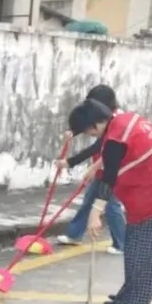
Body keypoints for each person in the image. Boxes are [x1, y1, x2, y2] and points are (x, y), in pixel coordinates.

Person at [66, 97, 152, 304]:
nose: (91, 136)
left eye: (88, 131)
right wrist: (95, 168)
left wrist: (96, 213)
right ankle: (135, 295)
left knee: (141, 249)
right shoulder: (125, 121)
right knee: (147, 248)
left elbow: (110, 176)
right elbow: (113, 157)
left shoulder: (115, 137)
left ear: (96, 124)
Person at [55, 85, 126, 255]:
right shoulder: (103, 119)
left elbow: (101, 148)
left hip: (112, 172)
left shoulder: (117, 122)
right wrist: (73, 132)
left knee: (111, 206)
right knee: (88, 201)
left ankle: (122, 243)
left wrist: (74, 163)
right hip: (102, 170)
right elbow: (89, 124)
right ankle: (74, 235)